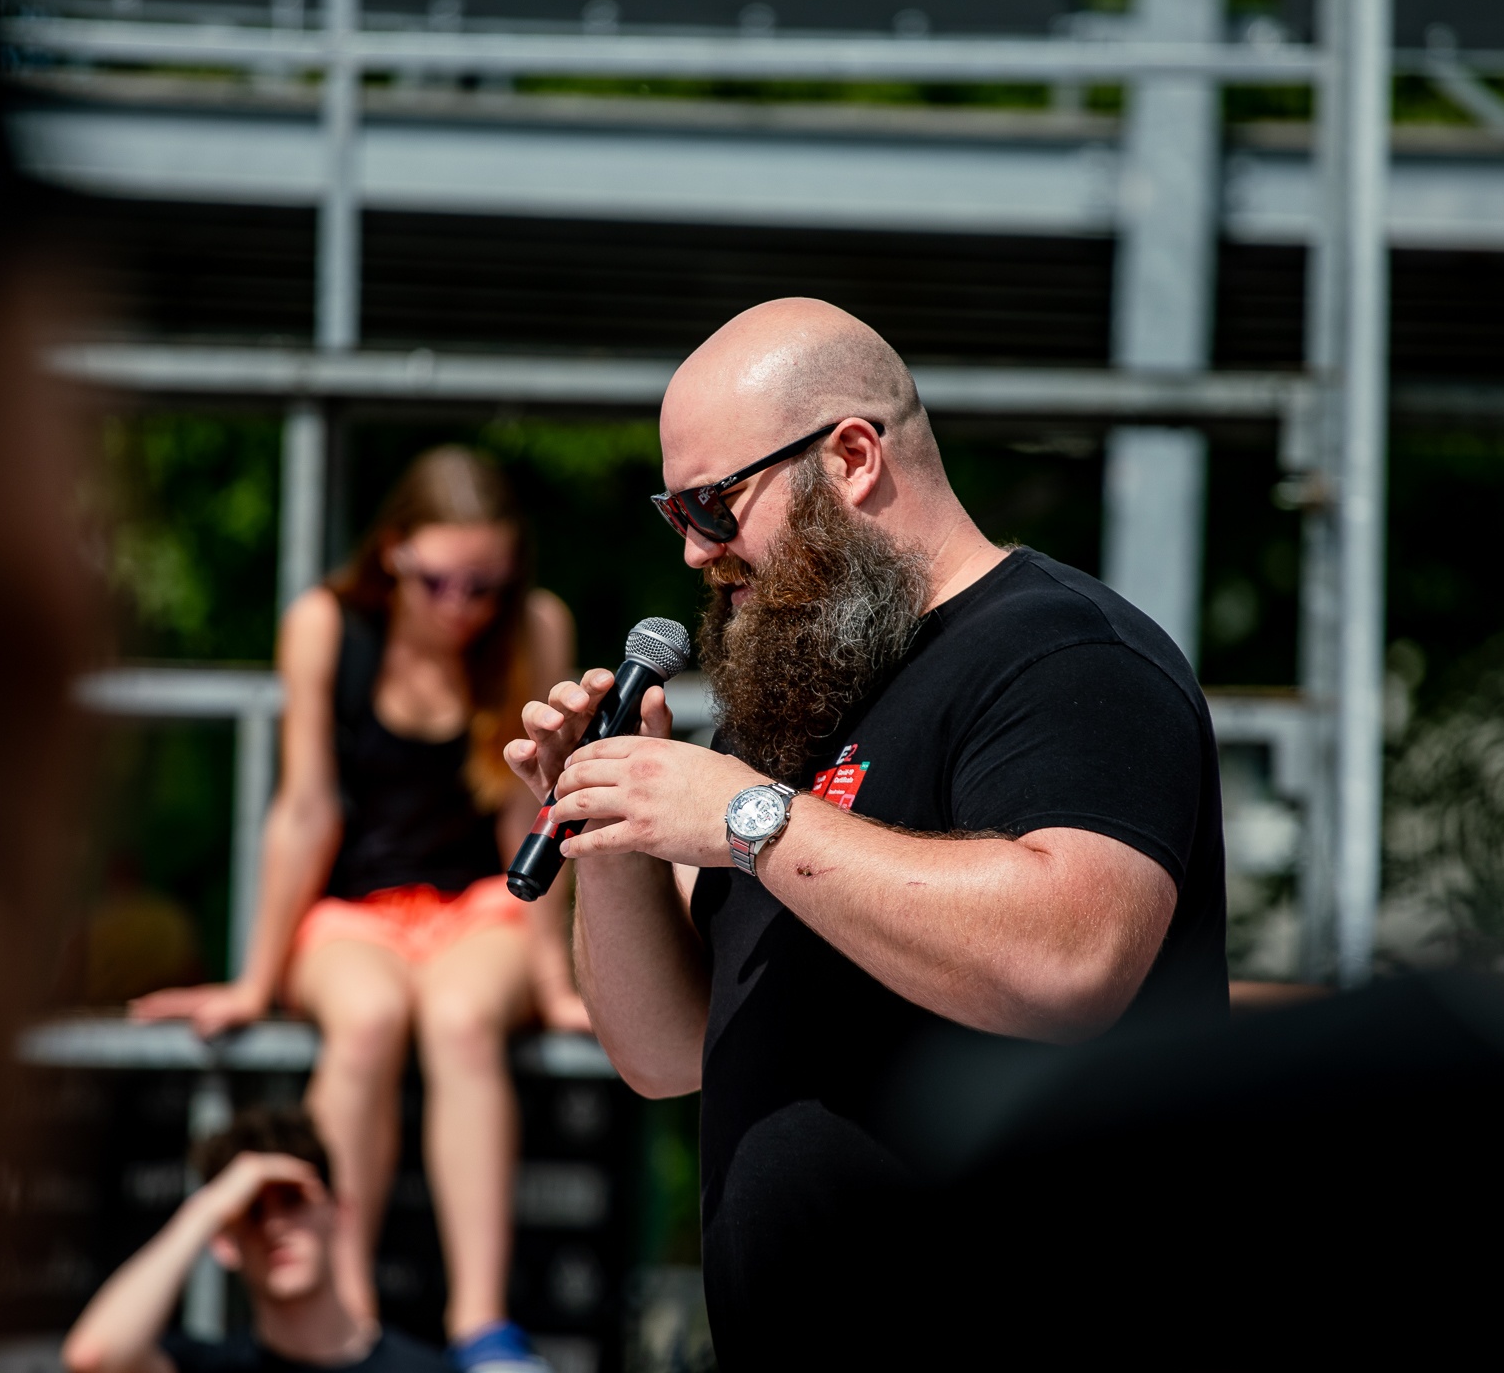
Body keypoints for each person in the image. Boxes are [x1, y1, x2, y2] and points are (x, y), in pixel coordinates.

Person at [508, 298, 1228, 1365]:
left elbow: (1071, 961)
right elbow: (661, 1055)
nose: (697, 550)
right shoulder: (801, 688)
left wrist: (748, 817)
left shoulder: (1070, 654)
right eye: (675, 513)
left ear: (850, 458)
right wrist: (606, 821)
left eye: (714, 503)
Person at [134, 448, 583, 1371]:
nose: (462, 606)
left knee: (460, 1020)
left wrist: (555, 982)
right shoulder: (325, 626)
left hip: (479, 905)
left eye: (485, 586)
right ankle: (345, 1321)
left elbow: (529, 811)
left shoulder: (535, 626)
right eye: (439, 582)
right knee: (370, 1018)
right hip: (354, 910)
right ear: (391, 552)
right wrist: (254, 982)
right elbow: (305, 809)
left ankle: (481, 1329)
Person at [62, 1105, 449, 1373]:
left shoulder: (424, 1369)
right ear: (224, 1243)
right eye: (251, 1211)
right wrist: (208, 1210)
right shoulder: (209, 1367)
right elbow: (95, 1356)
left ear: (340, 1214)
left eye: (293, 1200)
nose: (275, 1227)